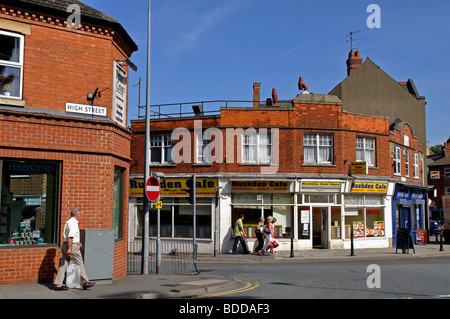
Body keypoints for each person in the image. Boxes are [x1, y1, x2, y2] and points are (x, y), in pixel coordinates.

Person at [54, 208, 95, 291]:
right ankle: (85, 282)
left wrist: (76, 242)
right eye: (80, 215)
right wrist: (70, 248)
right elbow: (70, 236)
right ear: (78, 215)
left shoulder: (68, 222)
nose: (80, 217)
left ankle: (58, 284)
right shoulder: (74, 223)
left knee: (63, 265)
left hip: (65, 245)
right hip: (71, 246)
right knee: (79, 263)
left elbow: (69, 237)